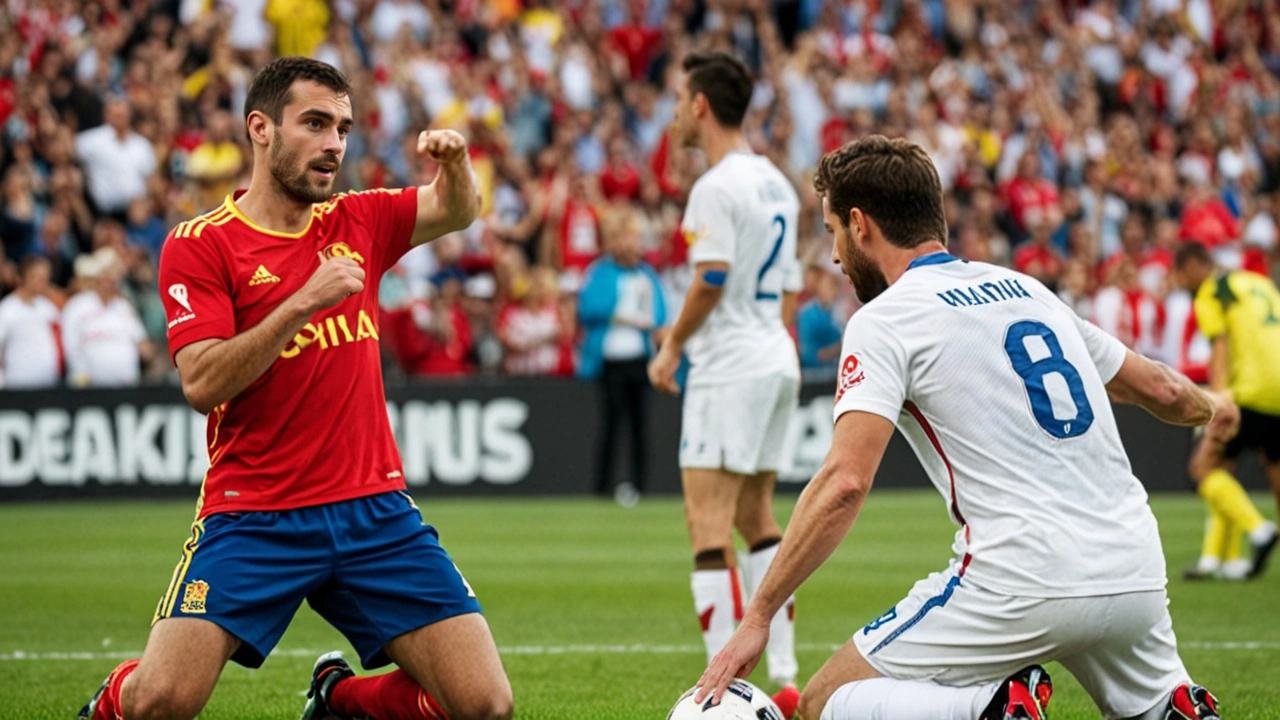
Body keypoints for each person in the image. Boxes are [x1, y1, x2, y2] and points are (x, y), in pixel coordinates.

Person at [696, 136, 1234, 720]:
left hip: (1018, 578)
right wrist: (1215, 406)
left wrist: (758, 616)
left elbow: (845, 482)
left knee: (823, 703)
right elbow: (1161, 389)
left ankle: (991, 707)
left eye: (832, 233)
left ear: (860, 224)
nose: (832, 255)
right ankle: (1168, 707)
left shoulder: (885, 319)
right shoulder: (1030, 291)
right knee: (1155, 705)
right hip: (1133, 567)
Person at [78, 57, 512, 720]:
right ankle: (110, 700)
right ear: (261, 128)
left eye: (342, 127)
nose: (334, 142)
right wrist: (303, 301)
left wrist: (453, 163)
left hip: (375, 511)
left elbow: (457, 209)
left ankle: (339, 701)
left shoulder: (358, 222)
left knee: (484, 705)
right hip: (256, 512)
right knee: (160, 703)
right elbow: (202, 381)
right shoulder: (200, 245)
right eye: (314, 123)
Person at [647, 49, 802, 696]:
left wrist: (673, 343)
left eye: (682, 99)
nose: (677, 111)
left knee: (705, 524)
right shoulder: (776, 182)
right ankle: (787, 678)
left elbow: (710, 277)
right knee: (757, 517)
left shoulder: (714, 186)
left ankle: (722, 688)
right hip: (773, 356)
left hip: (729, 364)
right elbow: (791, 286)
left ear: (701, 105)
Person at [1172, 242, 1280, 581]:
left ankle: (1259, 530)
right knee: (1248, 473)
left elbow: (1220, 345)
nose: (1180, 282)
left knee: (1204, 468)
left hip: (1249, 390)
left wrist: (1217, 401)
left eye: (1179, 274)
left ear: (1191, 266)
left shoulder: (1210, 291)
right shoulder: (1257, 282)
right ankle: (1222, 559)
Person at [578, 208, 668, 506]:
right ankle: (602, 487)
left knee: (640, 425)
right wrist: (621, 315)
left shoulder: (646, 274)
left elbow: (660, 314)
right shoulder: (600, 272)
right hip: (610, 359)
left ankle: (641, 485)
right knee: (611, 424)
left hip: (639, 357)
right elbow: (588, 308)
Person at [61, 247, 154, 388]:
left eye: (116, 277)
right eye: (109, 276)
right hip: (90, 388)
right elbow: (71, 345)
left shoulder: (123, 307)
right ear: (99, 277)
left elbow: (143, 344)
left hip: (126, 385)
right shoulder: (77, 306)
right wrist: (81, 376)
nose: (113, 280)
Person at [0, 255, 62, 389]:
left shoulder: (48, 307)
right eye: (39, 278)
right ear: (22, 278)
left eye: (46, 278)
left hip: (48, 384)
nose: (44, 283)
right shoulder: (7, 309)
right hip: (17, 385)